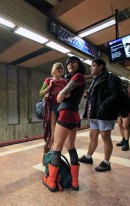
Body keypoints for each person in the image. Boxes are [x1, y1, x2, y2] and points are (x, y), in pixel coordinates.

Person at [42, 56, 85, 192]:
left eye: (74, 62)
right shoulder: (77, 78)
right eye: (69, 63)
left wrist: (61, 95)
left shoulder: (77, 76)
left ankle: (52, 182)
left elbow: (60, 96)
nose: (71, 64)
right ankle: (74, 181)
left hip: (66, 114)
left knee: (57, 148)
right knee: (70, 147)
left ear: (79, 64)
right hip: (75, 116)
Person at [79, 58, 128, 172]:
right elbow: (98, 95)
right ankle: (88, 157)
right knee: (93, 136)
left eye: (94, 65)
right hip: (94, 113)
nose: (91, 68)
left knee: (105, 137)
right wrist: (88, 95)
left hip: (105, 113)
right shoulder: (96, 79)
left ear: (101, 66)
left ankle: (106, 162)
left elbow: (117, 94)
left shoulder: (110, 78)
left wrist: (103, 106)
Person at [39, 62, 67, 153]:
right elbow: (40, 93)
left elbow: (68, 94)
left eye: (61, 68)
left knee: (59, 133)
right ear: (53, 70)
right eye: (57, 68)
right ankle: (46, 156)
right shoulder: (48, 80)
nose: (59, 70)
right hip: (52, 107)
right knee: (52, 133)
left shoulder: (64, 82)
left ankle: (53, 155)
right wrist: (50, 86)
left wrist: (63, 95)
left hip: (62, 107)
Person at [116, 86, 130, 151]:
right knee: (120, 126)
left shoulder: (129, 98)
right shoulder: (118, 95)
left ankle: (126, 143)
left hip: (127, 112)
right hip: (119, 112)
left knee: (126, 127)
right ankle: (123, 140)